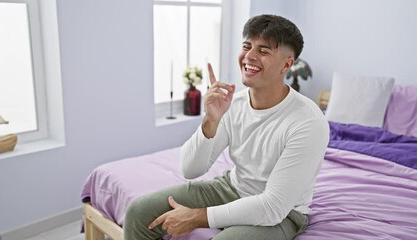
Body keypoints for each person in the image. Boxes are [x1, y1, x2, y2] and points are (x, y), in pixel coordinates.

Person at [124, 14, 329, 240]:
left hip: (282, 214)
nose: (249, 56)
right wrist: (210, 120)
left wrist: (197, 216)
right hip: (232, 189)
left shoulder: (308, 122)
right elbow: (190, 170)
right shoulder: (235, 105)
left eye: (263, 51)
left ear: (287, 64)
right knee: (139, 211)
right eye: (247, 46)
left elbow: (273, 207)